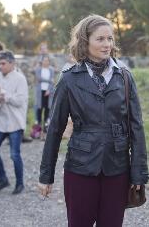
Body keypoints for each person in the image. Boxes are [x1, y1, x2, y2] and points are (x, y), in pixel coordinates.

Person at [38, 15, 148, 227]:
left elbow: (137, 128)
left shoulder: (124, 76)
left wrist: (138, 174)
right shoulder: (69, 79)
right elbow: (55, 129)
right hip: (80, 168)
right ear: (85, 41)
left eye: (110, 39)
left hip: (117, 168)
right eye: (100, 39)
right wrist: (46, 175)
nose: (107, 44)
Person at [0, 51, 28, 194]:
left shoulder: (20, 79)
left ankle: (20, 183)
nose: (0, 66)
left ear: (12, 63)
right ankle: (3, 179)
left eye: (3, 63)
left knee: (14, 155)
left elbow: (20, 100)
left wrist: (3, 94)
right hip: (0, 122)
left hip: (15, 122)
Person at [34, 55, 54, 139]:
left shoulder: (51, 70)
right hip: (40, 92)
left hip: (48, 92)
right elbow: (38, 79)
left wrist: (49, 90)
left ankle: (45, 132)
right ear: (41, 61)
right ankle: (37, 132)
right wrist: (49, 81)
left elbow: (53, 82)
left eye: (47, 60)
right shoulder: (38, 69)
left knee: (47, 111)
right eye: (44, 60)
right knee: (39, 111)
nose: (46, 62)